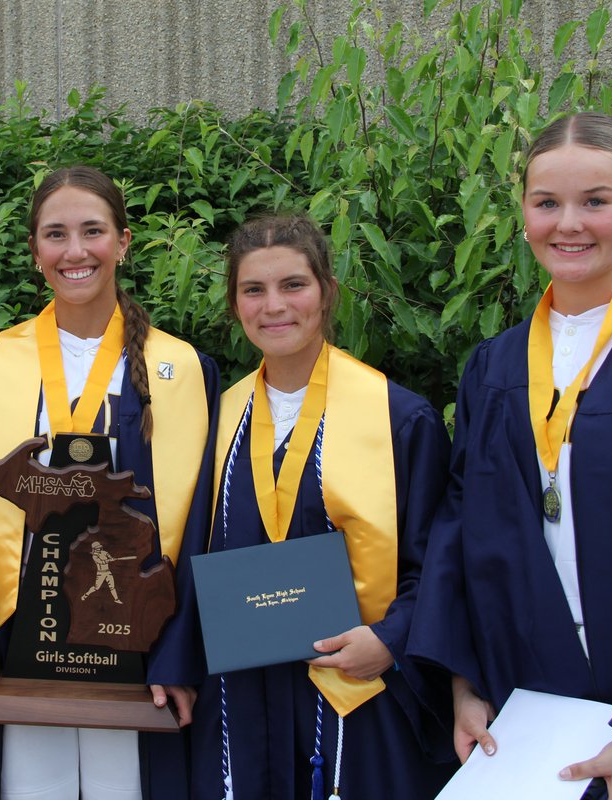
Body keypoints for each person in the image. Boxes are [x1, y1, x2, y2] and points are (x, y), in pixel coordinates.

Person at [408, 111, 612, 798]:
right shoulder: (494, 366)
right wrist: (465, 684)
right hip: (521, 721)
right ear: (523, 215)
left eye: (595, 202)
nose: (568, 224)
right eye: (547, 203)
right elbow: (460, 531)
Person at [0, 165, 219, 799]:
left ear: (123, 241)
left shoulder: (183, 370)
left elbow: (197, 527)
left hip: (140, 645)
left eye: (93, 231)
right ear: (35, 253)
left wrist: (178, 660)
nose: (75, 251)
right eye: (55, 235)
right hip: (16, 645)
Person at [189, 215, 456, 799]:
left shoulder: (397, 419)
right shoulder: (216, 421)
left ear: (327, 292)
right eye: (253, 289)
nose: (274, 305)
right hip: (242, 696)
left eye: (294, 285)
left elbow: (439, 563)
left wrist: (392, 638)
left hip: (356, 693)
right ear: (235, 304)